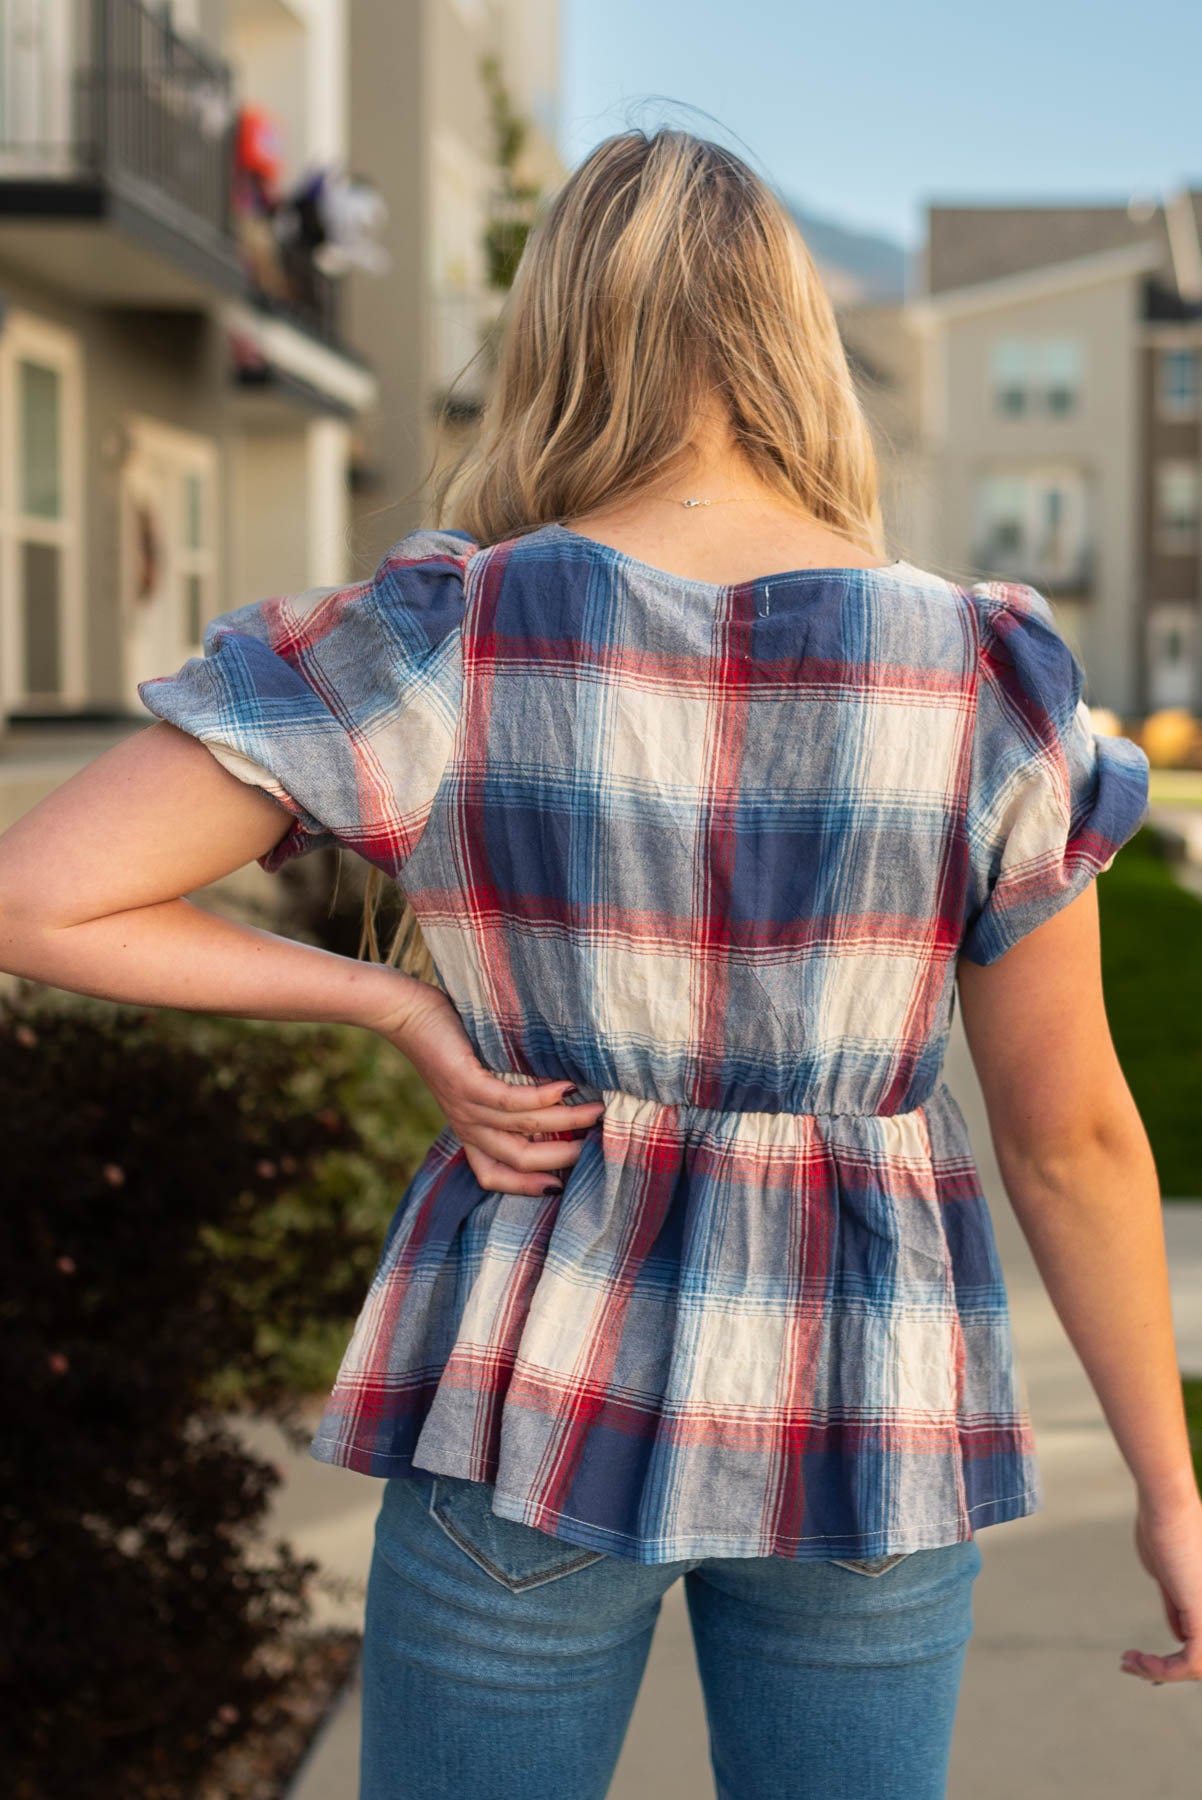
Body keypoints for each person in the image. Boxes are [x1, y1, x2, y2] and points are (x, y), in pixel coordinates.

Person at [0, 126, 1198, 1800]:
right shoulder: (981, 675)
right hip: (866, 1412)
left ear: (554, 337)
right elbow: (1066, 1134)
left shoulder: (449, 636)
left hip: (532, 1390)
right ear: (797, 345)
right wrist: (1169, 1481)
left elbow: (37, 893)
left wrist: (397, 1003)